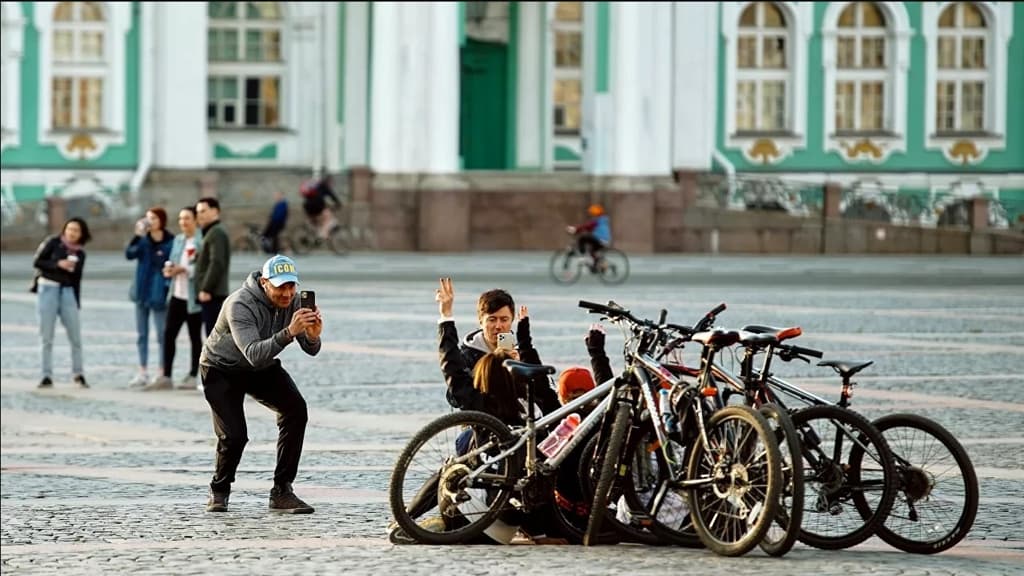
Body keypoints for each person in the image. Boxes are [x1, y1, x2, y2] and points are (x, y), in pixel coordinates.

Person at [200, 254, 322, 514]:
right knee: (234, 435)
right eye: (280, 287)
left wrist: (312, 336)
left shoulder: (293, 302)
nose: (287, 294)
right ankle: (219, 489)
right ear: (265, 283)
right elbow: (253, 353)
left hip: (261, 367)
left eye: (291, 286)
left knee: (295, 410)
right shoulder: (239, 304)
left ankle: (282, 491)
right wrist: (289, 332)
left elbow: (311, 349)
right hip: (221, 368)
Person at [435, 278, 552, 413]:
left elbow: (545, 395)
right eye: (492, 319)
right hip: (485, 418)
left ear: (512, 321)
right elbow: (455, 396)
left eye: (504, 320)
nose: (498, 326)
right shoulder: (469, 354)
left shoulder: (522, 352)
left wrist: (521, 370)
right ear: (481, 321)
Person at [31, 217, 92, 389]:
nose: (72, 233)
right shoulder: (52, 243)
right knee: (46, 335)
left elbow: (77, 279)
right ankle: (46, 375)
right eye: (69, 229)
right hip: (48, 288)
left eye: (76, 230)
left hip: (67, 291)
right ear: (64, 230)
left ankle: (78, 373)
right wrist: (58, 264)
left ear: (81, 234)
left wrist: (76, 302)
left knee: (75, 336)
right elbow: (37, 262)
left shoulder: (80, 254)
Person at [148, 206, 204, 391]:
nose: (183, 222)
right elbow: (172, 260)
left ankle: (193, 375)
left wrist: (185, 269)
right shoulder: (178, 240)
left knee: (195, 336)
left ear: (195, 220)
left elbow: (203, 267)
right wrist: (169, 269)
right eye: (180, 218)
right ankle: (166, 375)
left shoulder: (201, 240)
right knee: (169, 334)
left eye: (187, 218)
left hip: (193, 297)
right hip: (176, 294)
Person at [125, 207, 173, 388]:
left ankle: (161, 371)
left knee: (161, 334)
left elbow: (168, 263)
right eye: (147, 218)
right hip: (141, 292)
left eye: (153, 218)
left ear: (161, 220)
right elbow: (129, 254)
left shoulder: (170, 241)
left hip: (159, 293)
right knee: (141, 334)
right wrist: (137, 236)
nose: (149, 222)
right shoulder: (143, 240)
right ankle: (143, 371)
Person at [194, 197, 231, 337]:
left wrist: (206, 289)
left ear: (215, 211)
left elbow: (217, 262)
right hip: (212, 293)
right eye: (198, 212)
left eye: (203, 211)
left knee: (213, 337)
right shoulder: (211, 231)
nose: (199, 215)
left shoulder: (216, 232)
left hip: (213, 294)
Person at [300, 175, 341, 240]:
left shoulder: (316, 185)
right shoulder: (324, 185)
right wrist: (338, 203)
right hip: (317, 205)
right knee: (329, 218)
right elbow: (332, 195)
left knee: (315, 221)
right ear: (329, 181)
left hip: (307, 205)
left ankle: (309, 235)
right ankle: (322, 235)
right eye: (332, 182)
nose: (332, 184)